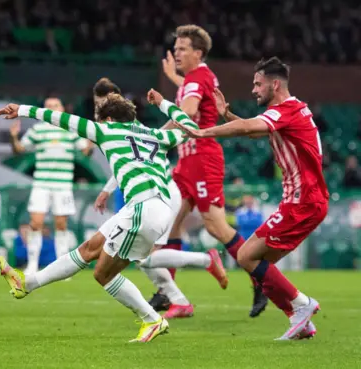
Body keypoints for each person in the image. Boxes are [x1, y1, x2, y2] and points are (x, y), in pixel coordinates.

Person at [0, 92, 227, 342]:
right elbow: (190, 126)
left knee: (103, 274)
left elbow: (62, 119)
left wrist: (23, 110)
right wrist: (162, 104)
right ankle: (26, 284)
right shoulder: (155, 135)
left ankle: (152, 319)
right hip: (150, 207)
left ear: (107, 119)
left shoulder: (106, 131)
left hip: (143, 209)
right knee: (89, 248)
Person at [173, 56, 328, 340]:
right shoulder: (291, 112)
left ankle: (302, 305)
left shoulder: (287, 110)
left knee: (247, 256)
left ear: (275, 84)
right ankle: (299, 316)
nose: (254, 90)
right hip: (304, 200)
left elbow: (248, 129)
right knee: (256, 263)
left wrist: (204, 131)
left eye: (258, 84)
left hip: (302, 200)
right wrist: (229, 116)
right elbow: (255, 131)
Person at [159, 24, 267, 317]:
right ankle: (167, 292)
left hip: (203, 159)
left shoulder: (197, 79)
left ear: (198, 52)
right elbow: (190, 91)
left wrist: (155, 137)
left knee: (215, 226)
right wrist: (174, 78)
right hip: (187, 160)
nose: (177, 53)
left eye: (182, 49)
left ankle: (261, 279)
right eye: (176, 48)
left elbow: (188, 111)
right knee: (169, 222)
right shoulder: (198, 77)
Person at [91, 78, 192, 318]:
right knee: (139, 254)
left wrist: (106, 190)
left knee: (145, 254)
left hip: (157, 193)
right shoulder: (119, 124)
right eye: (97, 104)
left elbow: (132, 159)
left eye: (103, 103)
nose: (99, 109)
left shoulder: (126, 123)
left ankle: (181, 291)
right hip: (141, 193)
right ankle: (170, 295)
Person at [9, 96, 93, 274]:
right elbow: (19, 150)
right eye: (48, 106)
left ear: (62, 109)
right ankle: (32, 265)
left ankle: (61, 267)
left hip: (63, 186)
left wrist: (91, 141)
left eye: (55, 105)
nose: (52, 108)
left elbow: (86, 152)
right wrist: (14, 137)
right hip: (41, 185)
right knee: (35, 223)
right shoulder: (37, 130)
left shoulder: (69, 130)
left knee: (61, 225)